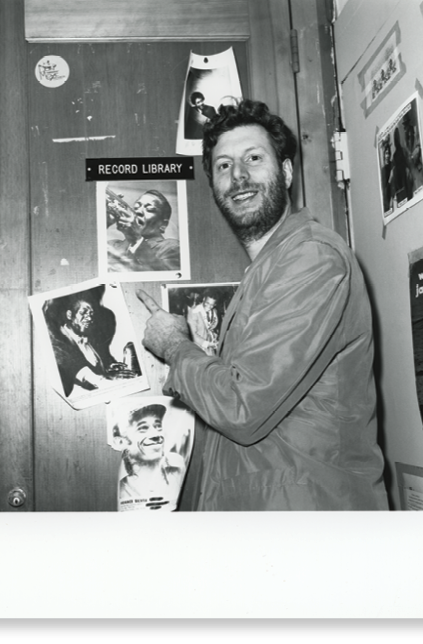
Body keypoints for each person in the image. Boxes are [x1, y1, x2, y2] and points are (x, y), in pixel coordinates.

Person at [138, 98, 389, 511]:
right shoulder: (268, 270)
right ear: (215, 188)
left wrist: (175, 346)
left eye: (253, 158)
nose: (238, 175)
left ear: (286, 172)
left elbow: (240, 407)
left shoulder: (311, 257)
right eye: (223, 165)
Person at [50, 294, 138, 397]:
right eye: (83, 313)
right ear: (69, 315)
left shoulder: (88, 337)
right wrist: (107, 379)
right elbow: (78, 371)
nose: (89, 318)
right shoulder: (58, 340)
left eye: (91, 314)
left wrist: (108, 368)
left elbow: (99, 364)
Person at [112, 403, 185, 509]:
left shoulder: (177, 471)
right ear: (121, 442)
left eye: (158, 427)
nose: (156, 435)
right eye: (143, 428)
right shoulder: (121, 489)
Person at [107, 189, 181, 272]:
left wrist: (137, 240)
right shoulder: (112, 244)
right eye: (136, 207)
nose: (138, 211)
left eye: (149, 209)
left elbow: (164, 276)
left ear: (163, 225)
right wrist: (106, 221)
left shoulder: (171, 247)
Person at [187, 291, 219, 355]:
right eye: (207, 303)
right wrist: (207, 344)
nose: (209, 306)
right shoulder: (194, 311)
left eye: (212, 304)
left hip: (211, 350)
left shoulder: (214, 311)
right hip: (198, 350)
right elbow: (193, 335)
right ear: (204, 299)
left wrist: (215, 338)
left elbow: (214, 329)